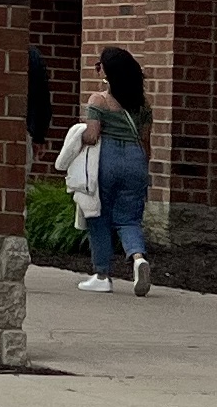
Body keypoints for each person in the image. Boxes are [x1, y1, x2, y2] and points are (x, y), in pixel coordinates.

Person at [59, 45, 154, 297]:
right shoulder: (144, 104)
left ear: (108, 72)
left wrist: (76, 136)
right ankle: (138, 258)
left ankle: (102, 275)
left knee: (98, 215)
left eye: (99, 65)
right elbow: (146, 141)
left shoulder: (98, 100)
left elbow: (91, 136)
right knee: (129, 218)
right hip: (136, 160)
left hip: (107, 160)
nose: (97, 69)